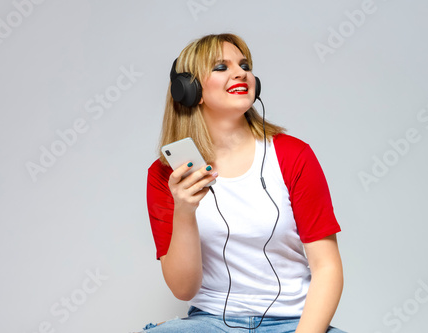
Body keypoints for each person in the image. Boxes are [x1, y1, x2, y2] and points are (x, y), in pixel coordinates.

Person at [143, 33, 346, 332]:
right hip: (211, 322)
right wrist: (184, 211)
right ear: (190, 89)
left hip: (295, 322)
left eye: (245, 65)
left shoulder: (293, 155)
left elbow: (327, 267)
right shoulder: (165, 175)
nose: (241, 72)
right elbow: (183, 290)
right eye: (221, 67)